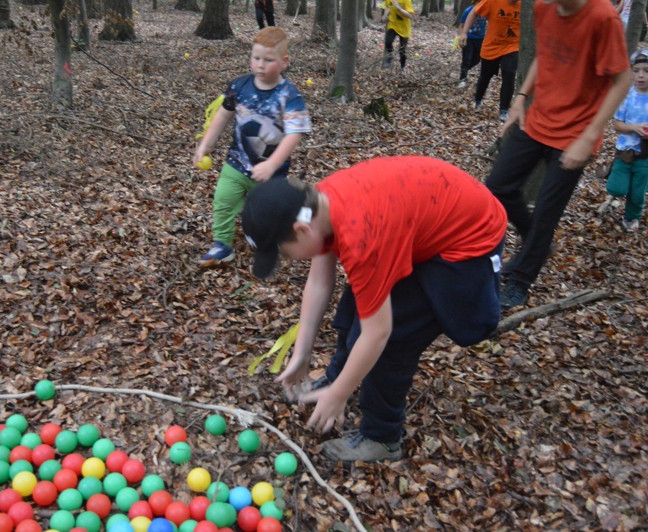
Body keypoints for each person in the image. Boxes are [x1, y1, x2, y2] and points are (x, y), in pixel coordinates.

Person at [241, 157, 508, 462]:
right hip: (413, 224)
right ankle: (339, 374)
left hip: (466, 240)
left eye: (284, 253)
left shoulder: (362, 237)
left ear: (302, 231)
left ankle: (382, 437)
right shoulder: (318, 204)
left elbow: (378, 333)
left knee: (396, 339)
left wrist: (339, 395)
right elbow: (319, 282)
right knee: (359, 300)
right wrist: (302, 351)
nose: (288, 260)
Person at [487, 0, 630, 309]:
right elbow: (544, 53)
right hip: (537, 119)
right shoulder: (543, 7)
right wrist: (521, 97)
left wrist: (590, 136)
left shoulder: (603, 18)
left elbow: (623, 80)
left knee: (545, 214)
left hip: (575, 134)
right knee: (498, 186)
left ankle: (521, 279)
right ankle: (536, 244)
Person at [194, 27, 311, 268]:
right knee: (223, 200)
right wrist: (205, 144)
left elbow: (294, 134)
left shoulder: (289, 95)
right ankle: (222, 245)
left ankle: (267, 237)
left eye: (268, 60)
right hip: (236, 163)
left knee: (263, 215)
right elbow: (222, 116)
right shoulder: (239, 86)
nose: (260, 64)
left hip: (271, 175)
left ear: (284, 62)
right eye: (256, 58)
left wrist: (272, 164)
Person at [606, 49, 648, 232]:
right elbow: (617, 125)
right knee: (616, 188)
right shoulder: (626, 96)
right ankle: (613, 175)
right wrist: (634, 127)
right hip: (624, 153)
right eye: (637, 70)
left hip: (645, 157)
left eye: (646, 71)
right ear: (631, 72)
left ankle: (631, 218)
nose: (641, 75)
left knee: (638, 194)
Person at [459, 0, 520, 121]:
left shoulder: (526, 4)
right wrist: (464, 33)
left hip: (512, 46)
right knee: (485, 76)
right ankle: (478, 99)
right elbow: (473, 12)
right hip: (492, 45)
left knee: (509, 75)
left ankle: (504, 110)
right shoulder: (492, 1)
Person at [456, 0, 487, 89]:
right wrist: (461, 37)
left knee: (477, 60)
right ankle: (462, 78)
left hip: (480, 39)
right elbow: (461, 25)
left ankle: (464, 70)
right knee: (467, 59)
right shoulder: (468, 10)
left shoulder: (485, 10)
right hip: (468, 38)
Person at [381, 0, 415, 70]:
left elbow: (410, 15)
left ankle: (402, 66)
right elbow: (387, 6)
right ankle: (389, 58)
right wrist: (385, 15)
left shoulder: (406, 0)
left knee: (402, 50)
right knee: (388, 42)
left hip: (404, 28)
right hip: (393, 25)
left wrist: (398, 8)